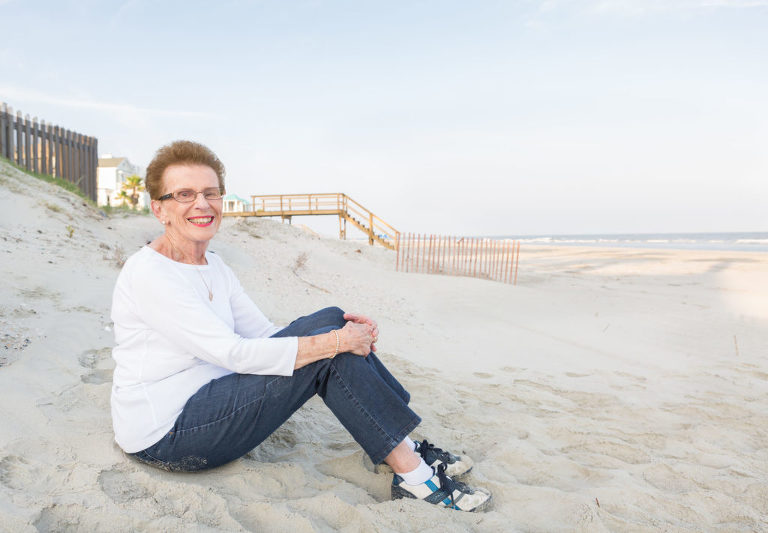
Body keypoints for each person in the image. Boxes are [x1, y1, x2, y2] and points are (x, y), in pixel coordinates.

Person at [110, 140, 492, 512]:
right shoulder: (152, 274)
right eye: (184, 194)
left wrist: (338, 333)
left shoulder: (215, 266)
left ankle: (401, 444)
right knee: (329, 350)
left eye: (211, 193)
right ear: (159, 209)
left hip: (214, 398)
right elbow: (233, 353)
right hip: (169, 433)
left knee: (331, 318)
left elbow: (263, 334)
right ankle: (414, 475)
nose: (202, 204)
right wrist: (336, 343)